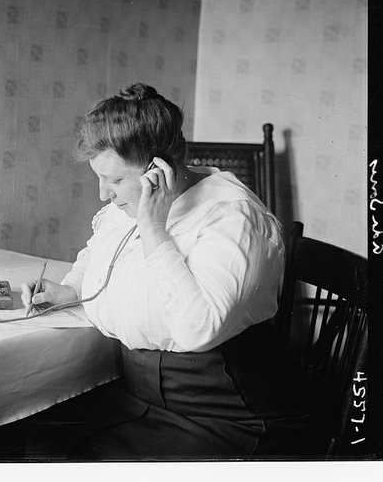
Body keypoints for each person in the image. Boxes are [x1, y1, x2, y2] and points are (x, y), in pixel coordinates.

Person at [20, 83, 314, 460]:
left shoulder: (234, 218)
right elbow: (97, 254)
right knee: (36, 442)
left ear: (159, 170)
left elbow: (199, 328)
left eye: (114, 179)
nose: (102, 194)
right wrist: (70, 290)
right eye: (99, 177)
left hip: (227, 415)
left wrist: (154, 229)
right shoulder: (130, 204)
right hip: (142, 397)